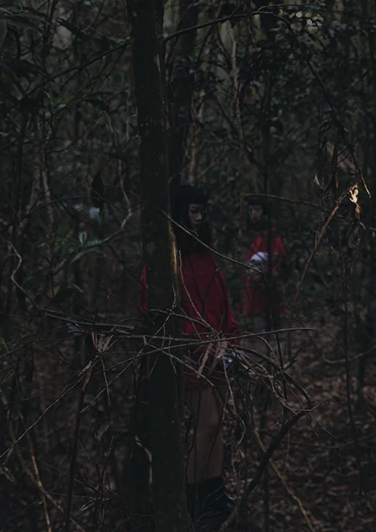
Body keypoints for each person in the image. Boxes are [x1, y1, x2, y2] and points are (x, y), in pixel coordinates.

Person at [139, 185, 239, 527]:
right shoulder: (164, 262)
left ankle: (213, 493)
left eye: (202, 212)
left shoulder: (203, 254)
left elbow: (222, 302)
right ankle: (194, 499)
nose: (199, 219)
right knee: (206, 423)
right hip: (187, 358)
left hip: (218, 353)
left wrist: (229, 343)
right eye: (193, 212)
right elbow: (160, 316)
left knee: (216, 426)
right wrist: (199, 350)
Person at [241, 196, 288, 354]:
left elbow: (279, 261)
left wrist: (268, 275)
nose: (254, 214)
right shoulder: (256, 236)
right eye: (251, 210)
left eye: (257, 210)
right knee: (258, 334)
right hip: (255, 294)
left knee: (273, 336)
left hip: (269, 294)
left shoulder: (273, 236)